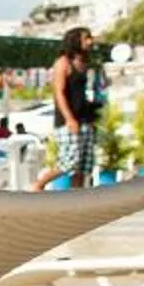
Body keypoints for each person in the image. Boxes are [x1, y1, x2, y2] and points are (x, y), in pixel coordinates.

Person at [38, 28, 106, 189]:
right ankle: (39, 184)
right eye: (86, 38)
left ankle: (77, 196)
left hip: (85, 117)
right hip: (68, 120)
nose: (90, 42)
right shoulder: (63, 63)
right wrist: (69, 118)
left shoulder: (85, 63)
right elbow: (58, 93)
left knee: (84, 165)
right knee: (69, 161)